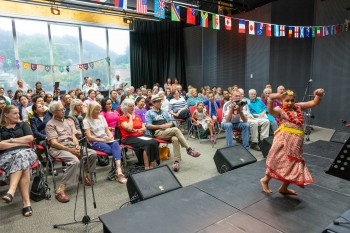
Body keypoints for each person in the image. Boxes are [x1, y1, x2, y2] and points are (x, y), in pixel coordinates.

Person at [260, 88, 325, 195]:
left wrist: (319, 95)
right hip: (283, 141)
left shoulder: (298, 107)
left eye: (292, 100)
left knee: (293, 164)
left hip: (296, 142)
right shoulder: (280, 110)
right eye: (287, 101)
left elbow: (313, 102)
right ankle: (265, 180)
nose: (290, 103)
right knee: (277, 160)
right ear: (281, 101)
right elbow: (271, 111)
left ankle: (284, 188)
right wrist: (271, 98)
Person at [46, 101, 97, 203]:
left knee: (92, 153)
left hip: (71, 145)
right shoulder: (50, 124)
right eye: (60, 110)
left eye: (63, 109)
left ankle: (84, 174)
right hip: (58, 148)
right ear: (54, 112)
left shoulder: (67, 121)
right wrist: (71, 150)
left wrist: (77, 146)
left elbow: (73, 136)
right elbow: (54, 143)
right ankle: (60, 189)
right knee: (74, 161)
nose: (63, 111)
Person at [145, 95, 200, 172]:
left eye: (160, 101)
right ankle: (189, 149)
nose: (160, 103)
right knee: (175, 129)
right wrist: (161, 126)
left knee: (175, 139)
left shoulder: (164, 112)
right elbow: (148, 125)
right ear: (153, 103)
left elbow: (170, 122)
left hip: (168, 130)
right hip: (158, 132)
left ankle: (176, 162)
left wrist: (169, 125)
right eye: (158, 102)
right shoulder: (149, 113)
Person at [0, 105, 37, 217]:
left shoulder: (23, 124)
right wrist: (20, 142)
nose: (18, 115)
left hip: (27, 153)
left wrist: (10, 141)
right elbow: (0, 145)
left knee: (21, 156)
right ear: (6, 114)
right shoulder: (0, 128)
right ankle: (26, 203)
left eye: (18, 113)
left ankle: (11, 191)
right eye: (15, 113)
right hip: (6, 155)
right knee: (23, 166)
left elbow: (30, 138)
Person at [83, 102, 126, 184]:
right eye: (96, 110)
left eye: (99, 109)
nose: (98, 111)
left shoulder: (101, 118)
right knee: (113, 151)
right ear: (91, 110)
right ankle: (118, 172)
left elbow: (107, 130)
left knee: (116, 143)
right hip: (96, 141)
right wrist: (103, 140)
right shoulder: (86, 120)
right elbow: (89, 137)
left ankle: (118, 169)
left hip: (106, 139)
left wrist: (111, 137)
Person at [119, 98, 160, 169]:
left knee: (154, 141)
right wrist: (130, 118)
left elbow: (144, 129)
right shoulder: (122, 118)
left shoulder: (137, 116)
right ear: (125, 107)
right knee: (148, 144)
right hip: (128, 138)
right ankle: (147, 166)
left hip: (140, 136)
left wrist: (137, 130)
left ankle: (151, 165)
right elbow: (129, 128)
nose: (132, 107)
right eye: (130, 106)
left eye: (133, 106)